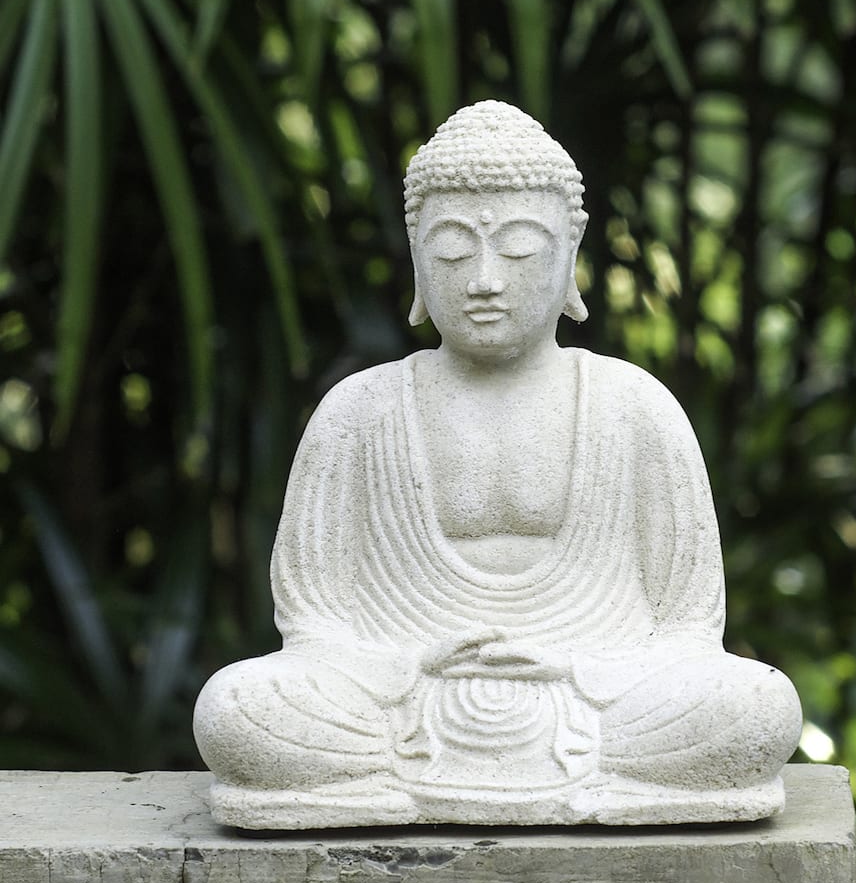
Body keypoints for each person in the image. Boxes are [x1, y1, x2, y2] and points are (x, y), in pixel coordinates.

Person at [193, 101, 802, 828]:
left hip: (593, 697)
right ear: (418, 259)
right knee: (236, 709)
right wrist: (412, 667)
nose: (485, 279)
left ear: (569, 257)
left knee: (756, 708)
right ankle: (565, 785)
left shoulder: (635, 407)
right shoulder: (359, 412)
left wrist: (573, 670)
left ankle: (406, 790)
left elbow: (687, 627)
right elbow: (313, 621)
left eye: (517, 249)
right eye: (453, 252)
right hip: (406, 698)